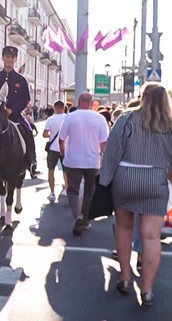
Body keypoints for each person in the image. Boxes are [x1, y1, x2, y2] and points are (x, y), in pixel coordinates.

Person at [99, 82, 172, 306]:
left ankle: (125, 278)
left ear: (142, 97)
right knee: (151, 237)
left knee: (124, 228)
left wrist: (104, 181)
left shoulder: (126, 119)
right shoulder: (169, 124)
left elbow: (112, 151)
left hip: (126, 178)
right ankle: (147, 290)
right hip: (155, 181)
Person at [58, 92, 109, 236]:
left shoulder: (70, 117)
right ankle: (85, 220)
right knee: (89, 191)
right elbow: (104, 143)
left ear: (79, 102)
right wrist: (104, 158)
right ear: (92, 103)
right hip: (92, 161)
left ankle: (77, 216)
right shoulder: (99, 119)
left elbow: (62, 138)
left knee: (73, 191)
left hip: (73, 160)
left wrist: (63, 152)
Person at [0, 46, 40, 178]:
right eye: (7, 57)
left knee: (28, 130)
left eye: (12, 58)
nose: (9, 60)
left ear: (15, 59)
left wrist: (12, 110)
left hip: (14, 115)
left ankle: (32, 162)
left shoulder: (21, 80)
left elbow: (25, 99)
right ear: (3, 58)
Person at [43, 100, 67, 202]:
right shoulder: (68, 118)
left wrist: (51, 135)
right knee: (66, 170)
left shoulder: (51, 119)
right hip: (65, 148)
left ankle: (52, 192)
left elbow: (44, 134)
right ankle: (66, 188)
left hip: (53, 148)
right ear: (64, 108)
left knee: (51, 170)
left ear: (55, 108)